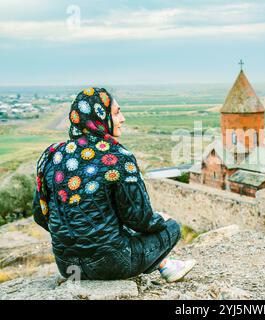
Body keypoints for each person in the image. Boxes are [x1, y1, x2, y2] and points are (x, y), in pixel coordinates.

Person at [32, 87, 195, 282]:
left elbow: (40, 215)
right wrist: (161, 219)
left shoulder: (53, 155)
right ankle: (164, 264)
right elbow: (139, 219)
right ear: (99, 118)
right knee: (171, 227)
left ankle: (165, 265)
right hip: (111, 264)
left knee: (117, 227)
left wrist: (76, 237)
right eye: (117, 113)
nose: (123, 118)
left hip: (67, 266)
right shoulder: (117, 158)